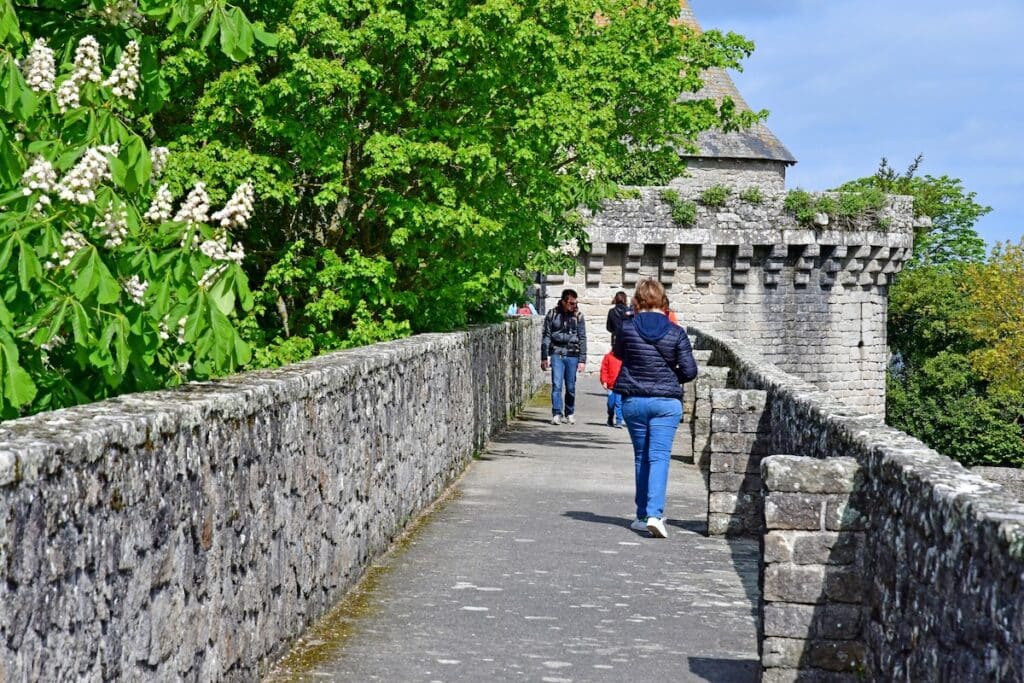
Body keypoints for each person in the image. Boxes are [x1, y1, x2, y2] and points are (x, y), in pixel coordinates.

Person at [613, 278, 698, 538]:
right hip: (666, 403)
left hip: (634, 400)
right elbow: (690, 371)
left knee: (641, 457)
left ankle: (641, 515)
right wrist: (671, 378)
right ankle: (654, 514)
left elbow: (618, 355)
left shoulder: (627, 328)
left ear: (637, 301)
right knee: (659, 457)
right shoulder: (676, 333)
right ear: (664, 301)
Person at [541, 289, 587, 425]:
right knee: (556, 385)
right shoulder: (552, 314)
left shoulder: (578, 316)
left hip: (573, 354)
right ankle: (556, 413)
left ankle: (569, 412)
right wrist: (544, 357)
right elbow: (546, 336)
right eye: (571, 303)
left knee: (571, 386)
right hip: (557, 353)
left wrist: (582, 360)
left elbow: (582, 338)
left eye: (575, 303)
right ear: (563, 302)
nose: (574, 306)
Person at [600, 349, 624, 428]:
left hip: (620, 386)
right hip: (610, 386)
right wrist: (604, 381)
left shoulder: (624, 357)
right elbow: (604, 370)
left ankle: (619, 421)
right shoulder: (608, 357)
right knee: (610, 404)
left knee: (619, 403)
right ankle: (610, 418)